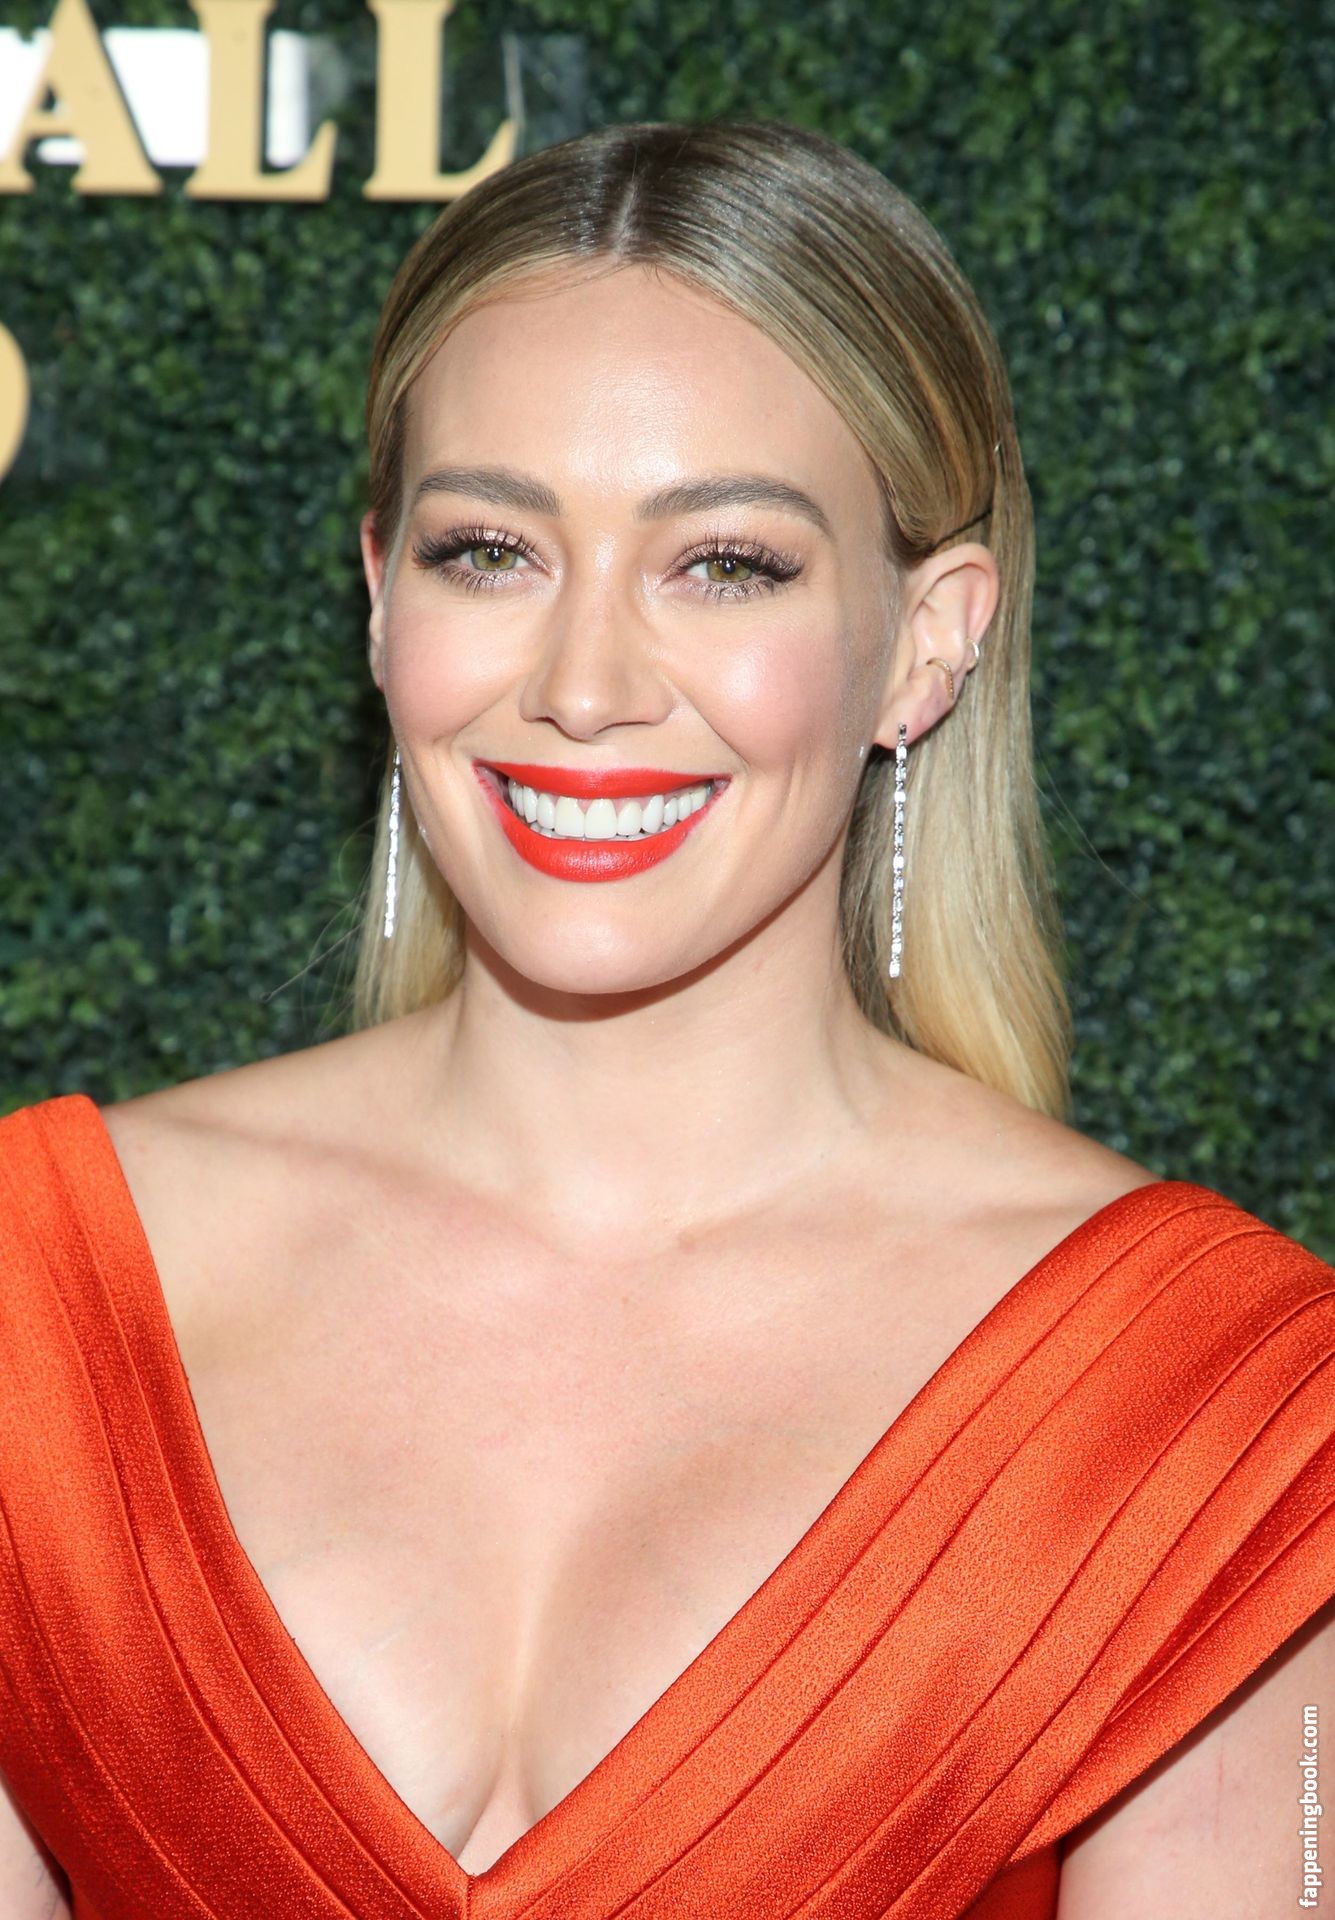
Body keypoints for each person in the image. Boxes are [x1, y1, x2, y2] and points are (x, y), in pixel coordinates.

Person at [0, 118, 1330, 1920]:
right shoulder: (38, 1303)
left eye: (725, 564)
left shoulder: (1214, 1411)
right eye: (492, 551)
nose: (585, 686)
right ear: (381, 598)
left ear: (928, 640)